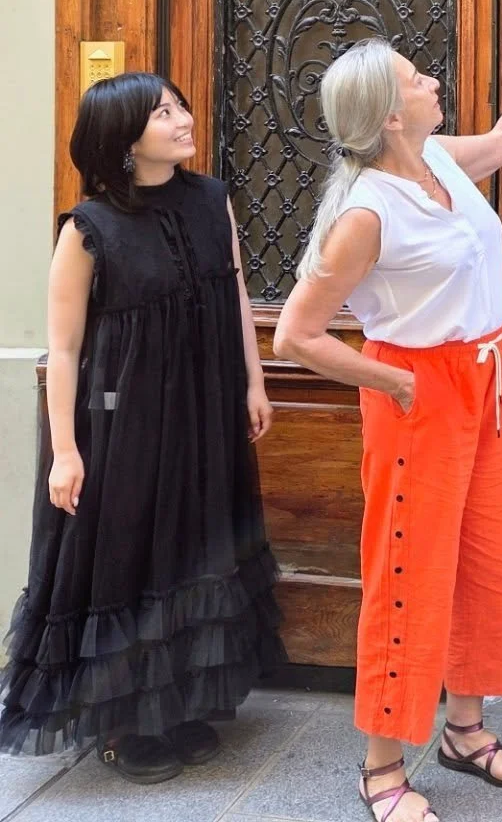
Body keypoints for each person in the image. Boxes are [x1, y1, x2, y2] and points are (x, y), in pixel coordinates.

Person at [273, 0, 502, 822]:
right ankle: (382, 767)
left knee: (491, 561)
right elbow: (296, 336)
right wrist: (392, 383)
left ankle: (464, 730)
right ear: (389, 115)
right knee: (409, 575)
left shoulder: (439, 159)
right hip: (418, 393)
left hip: (490, 379)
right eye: (417, 79)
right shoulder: (365, 213)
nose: (432, 82)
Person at [0, 74, 284, 782]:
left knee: (193, 549)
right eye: (163, 112)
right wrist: (66, 451)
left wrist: (253, 382)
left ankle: (179, 704)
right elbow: (64, 349)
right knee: (127, 560)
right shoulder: (87, 228)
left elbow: (235, 293)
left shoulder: (212, 200)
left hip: (205, 413)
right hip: (122, 424)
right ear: (124, 138)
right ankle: (121, 724)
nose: (183, 118)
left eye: (179, 105)